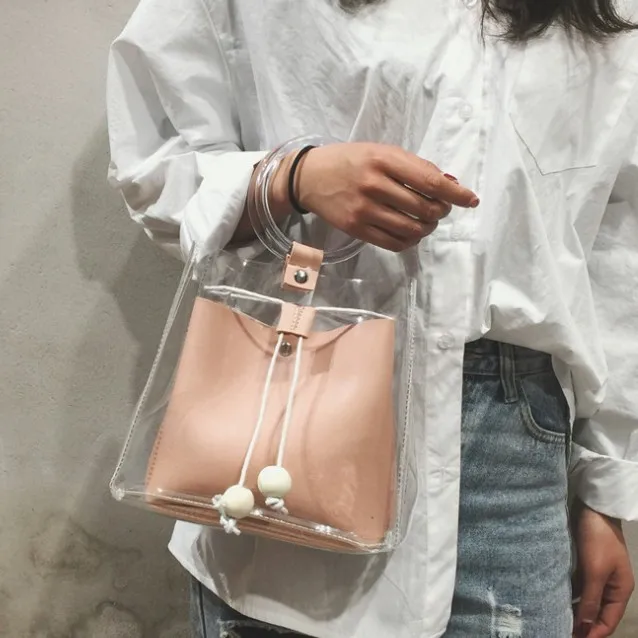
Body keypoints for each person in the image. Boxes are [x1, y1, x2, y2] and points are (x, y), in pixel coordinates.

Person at [106, 0, 638, 636]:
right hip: (291, 414)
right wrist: (292, 176)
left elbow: (615, 253)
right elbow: (152, 159)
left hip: (513, 456)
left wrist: (604, 490)